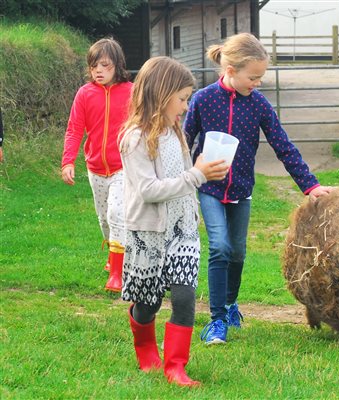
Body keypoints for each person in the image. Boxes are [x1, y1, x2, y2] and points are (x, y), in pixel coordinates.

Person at [184, 32, 334, 345]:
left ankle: (229, 303)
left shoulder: (259, 105)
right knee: (220, 247)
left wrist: (311, 186)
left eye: (261, 77)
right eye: (253, 77)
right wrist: (184, 176)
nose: (258, 82)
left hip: (241, 190)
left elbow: (283, 146)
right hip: (209, 188)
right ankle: (217, 321)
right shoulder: (202, 99)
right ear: (231, 71)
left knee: (237, 252)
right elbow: (183, 142)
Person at [119, 56, 228, 386]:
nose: (185, 106)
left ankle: (176, 366)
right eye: (182, 98)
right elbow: (150, 190)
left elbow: (181, 177)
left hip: (182, 230)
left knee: (183, 298)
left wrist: (197, 170)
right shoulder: (134, 138)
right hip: (148, 234)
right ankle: (145, 348)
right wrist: (196, 175)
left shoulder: (176, 132)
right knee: (148, 303)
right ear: (161, 94)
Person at [61, 38, 132, 292]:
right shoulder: (84, 93)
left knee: (117, 214)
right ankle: (114, 254)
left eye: (104, 65)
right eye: (93, 66)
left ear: (117, 65)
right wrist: (68, 162)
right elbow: (74, 130)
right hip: (95, 169)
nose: (98, 71)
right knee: (104, 219)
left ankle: (117, 274)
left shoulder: (132, 92)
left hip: (123, 167)